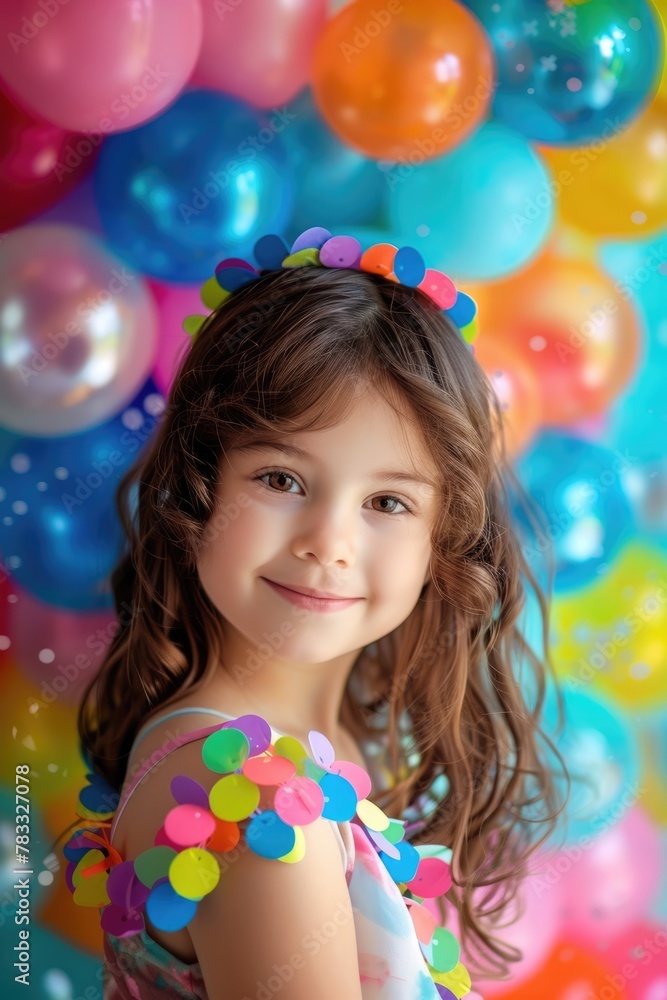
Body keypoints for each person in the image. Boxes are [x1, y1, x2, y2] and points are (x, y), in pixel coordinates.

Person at [61, 227, 568, 999]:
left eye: (387, 501)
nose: (327, 543)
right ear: (198, 487)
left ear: (443, 538)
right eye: (281, 479)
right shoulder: (258, 810)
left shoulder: (341, 746)